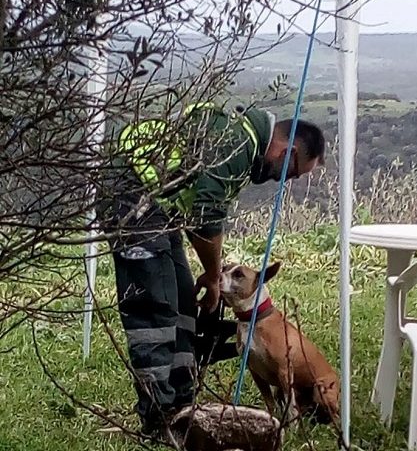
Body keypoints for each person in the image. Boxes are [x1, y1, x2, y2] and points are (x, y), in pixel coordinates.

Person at [98, 100, 325, 439]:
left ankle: (182, 407)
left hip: (160, 207)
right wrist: (215, 274)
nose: (286, 180)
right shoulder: (237, 144)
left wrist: (208, 274)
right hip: (129, 198)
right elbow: (206, 215)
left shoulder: (241, 143)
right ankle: (159, 422)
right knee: (155, 312)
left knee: (183, 305)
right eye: (294, 172)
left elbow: (193, 205)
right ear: (287, 151)